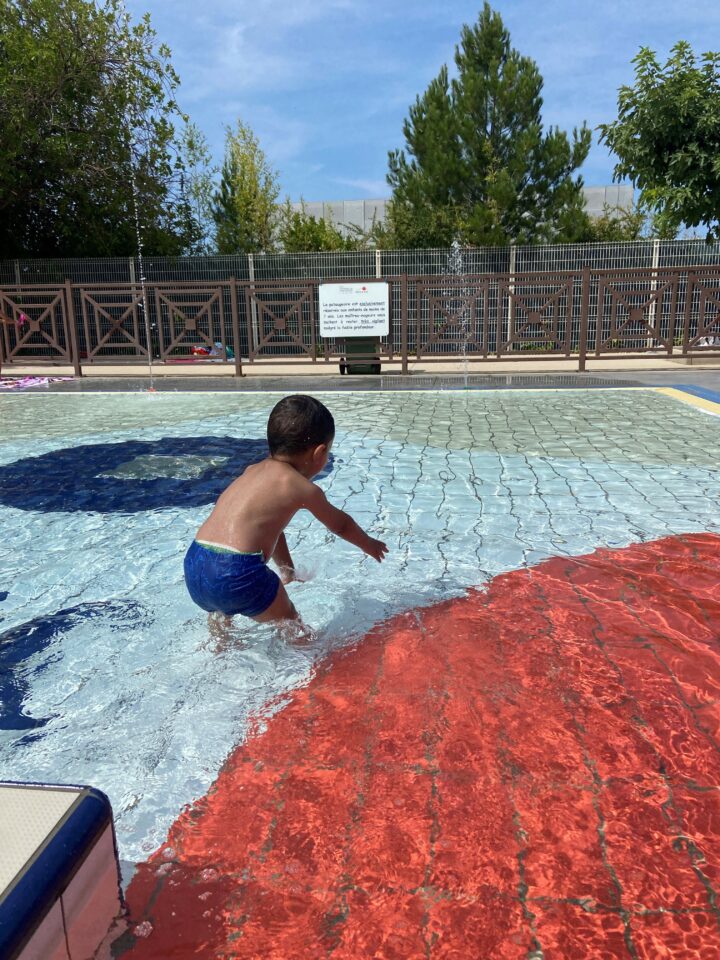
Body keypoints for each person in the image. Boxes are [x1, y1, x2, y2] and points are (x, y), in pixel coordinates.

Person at [184, 394, 388, 628]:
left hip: (195, 563)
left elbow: (272, 530)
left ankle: (219, 649)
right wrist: (368, 544)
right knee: (291, 623)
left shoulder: (252, 471)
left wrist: (286, 570)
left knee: (220, 612)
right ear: (319, 453)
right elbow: (340, 525)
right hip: (238, 572)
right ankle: (308, 658)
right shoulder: (300, 487)